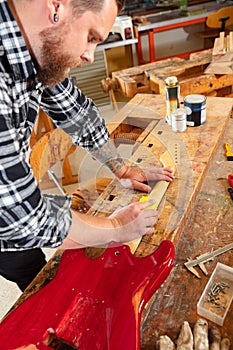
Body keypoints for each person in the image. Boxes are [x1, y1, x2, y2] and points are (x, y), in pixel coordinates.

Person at [0, 0, 174, 292]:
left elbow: (77, 114)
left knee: (33, 265)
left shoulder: (33, 47)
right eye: (91, 37)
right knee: (32, 280)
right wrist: (116, 229)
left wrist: (122, 168)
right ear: (56, 5)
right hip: (9, 219)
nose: (90, 56)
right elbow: (24, 219)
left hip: (12, 212)